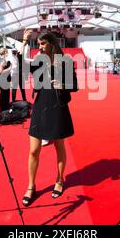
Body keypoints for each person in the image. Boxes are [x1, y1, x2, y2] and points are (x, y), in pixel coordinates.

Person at [19, 29, 78, 207]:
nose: (40, 47)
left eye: (43, 44)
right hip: (40, 105)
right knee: (33, 150)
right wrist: (23, 42)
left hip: (58, 105)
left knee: (59, 146)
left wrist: (62, 84)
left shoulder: (65, 61)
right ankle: (31, 186)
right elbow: (22, 64)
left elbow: (74, 85)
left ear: (52, 43)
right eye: (38, 44)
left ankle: (59, 180)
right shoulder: (38, 60)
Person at [0, 48, 11, 112]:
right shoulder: (3, 60)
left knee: (6, 93)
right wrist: (10, 68)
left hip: (5, 78)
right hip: (3, 79)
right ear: (5, 52)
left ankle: (5, 108)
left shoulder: (3, 59)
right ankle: (3, 109)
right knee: (4, 94)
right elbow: (1, 71)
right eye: (7, 52)